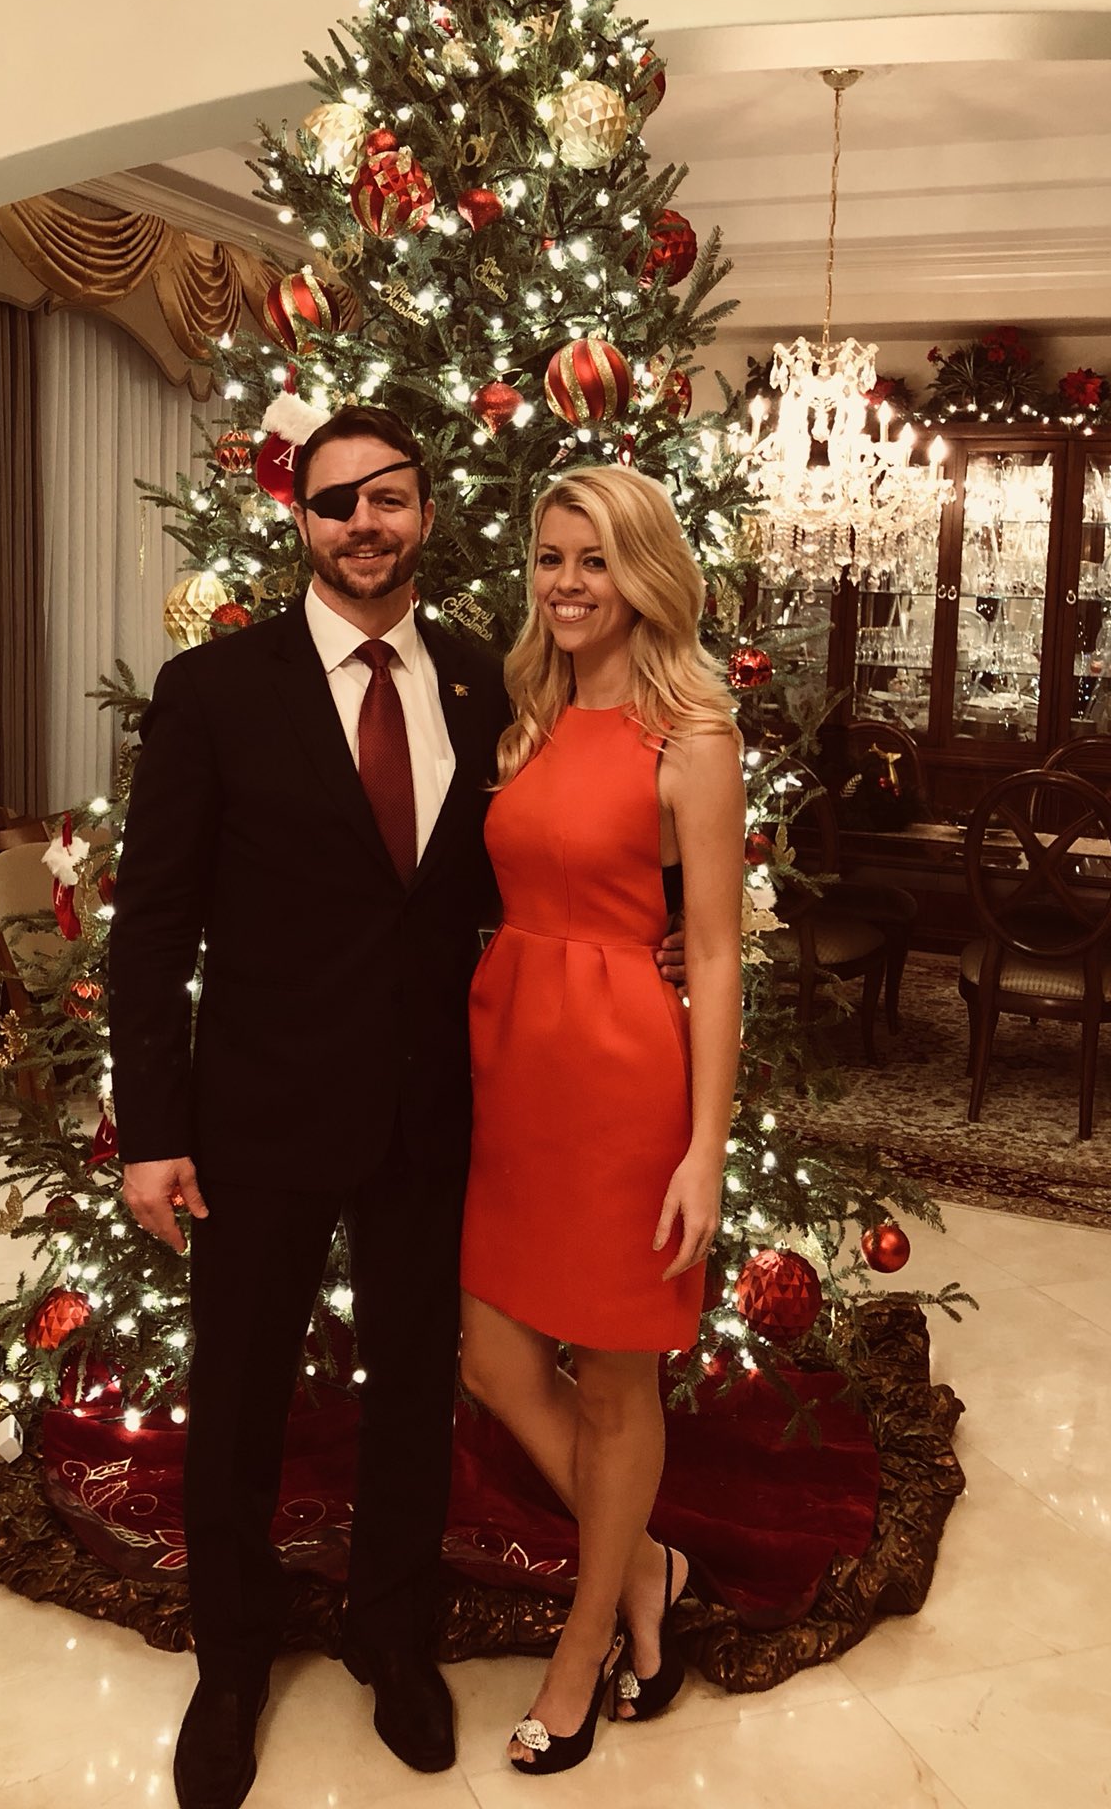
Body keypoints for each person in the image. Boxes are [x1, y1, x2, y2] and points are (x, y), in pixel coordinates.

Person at [108, 407, 682, 1809]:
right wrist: (153, 1130)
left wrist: (651, 940)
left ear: (427, 513)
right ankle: (231, 1662)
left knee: (417, 1392)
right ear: (299, 521)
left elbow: (543, 865)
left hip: (439, 1112)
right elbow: (153, 925)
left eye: (389, 498)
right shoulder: (213, 688)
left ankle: (392, 1635)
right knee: (239, 1394)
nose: (363, 524)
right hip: (257, 1115)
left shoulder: (493, 687)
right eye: (335, 502)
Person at [459, 464, 745, 1774]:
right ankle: (648, 1566)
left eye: (597, 559)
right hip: (515, 1066)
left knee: (620, 1379)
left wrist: (704, 1149)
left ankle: (586, 1649)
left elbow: (719, 954)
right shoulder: (524, 715)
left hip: (628, 1075)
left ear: (644, 574)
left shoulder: (691, 737)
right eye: (551, 558)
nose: (570, 584)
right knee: (493, 1360)